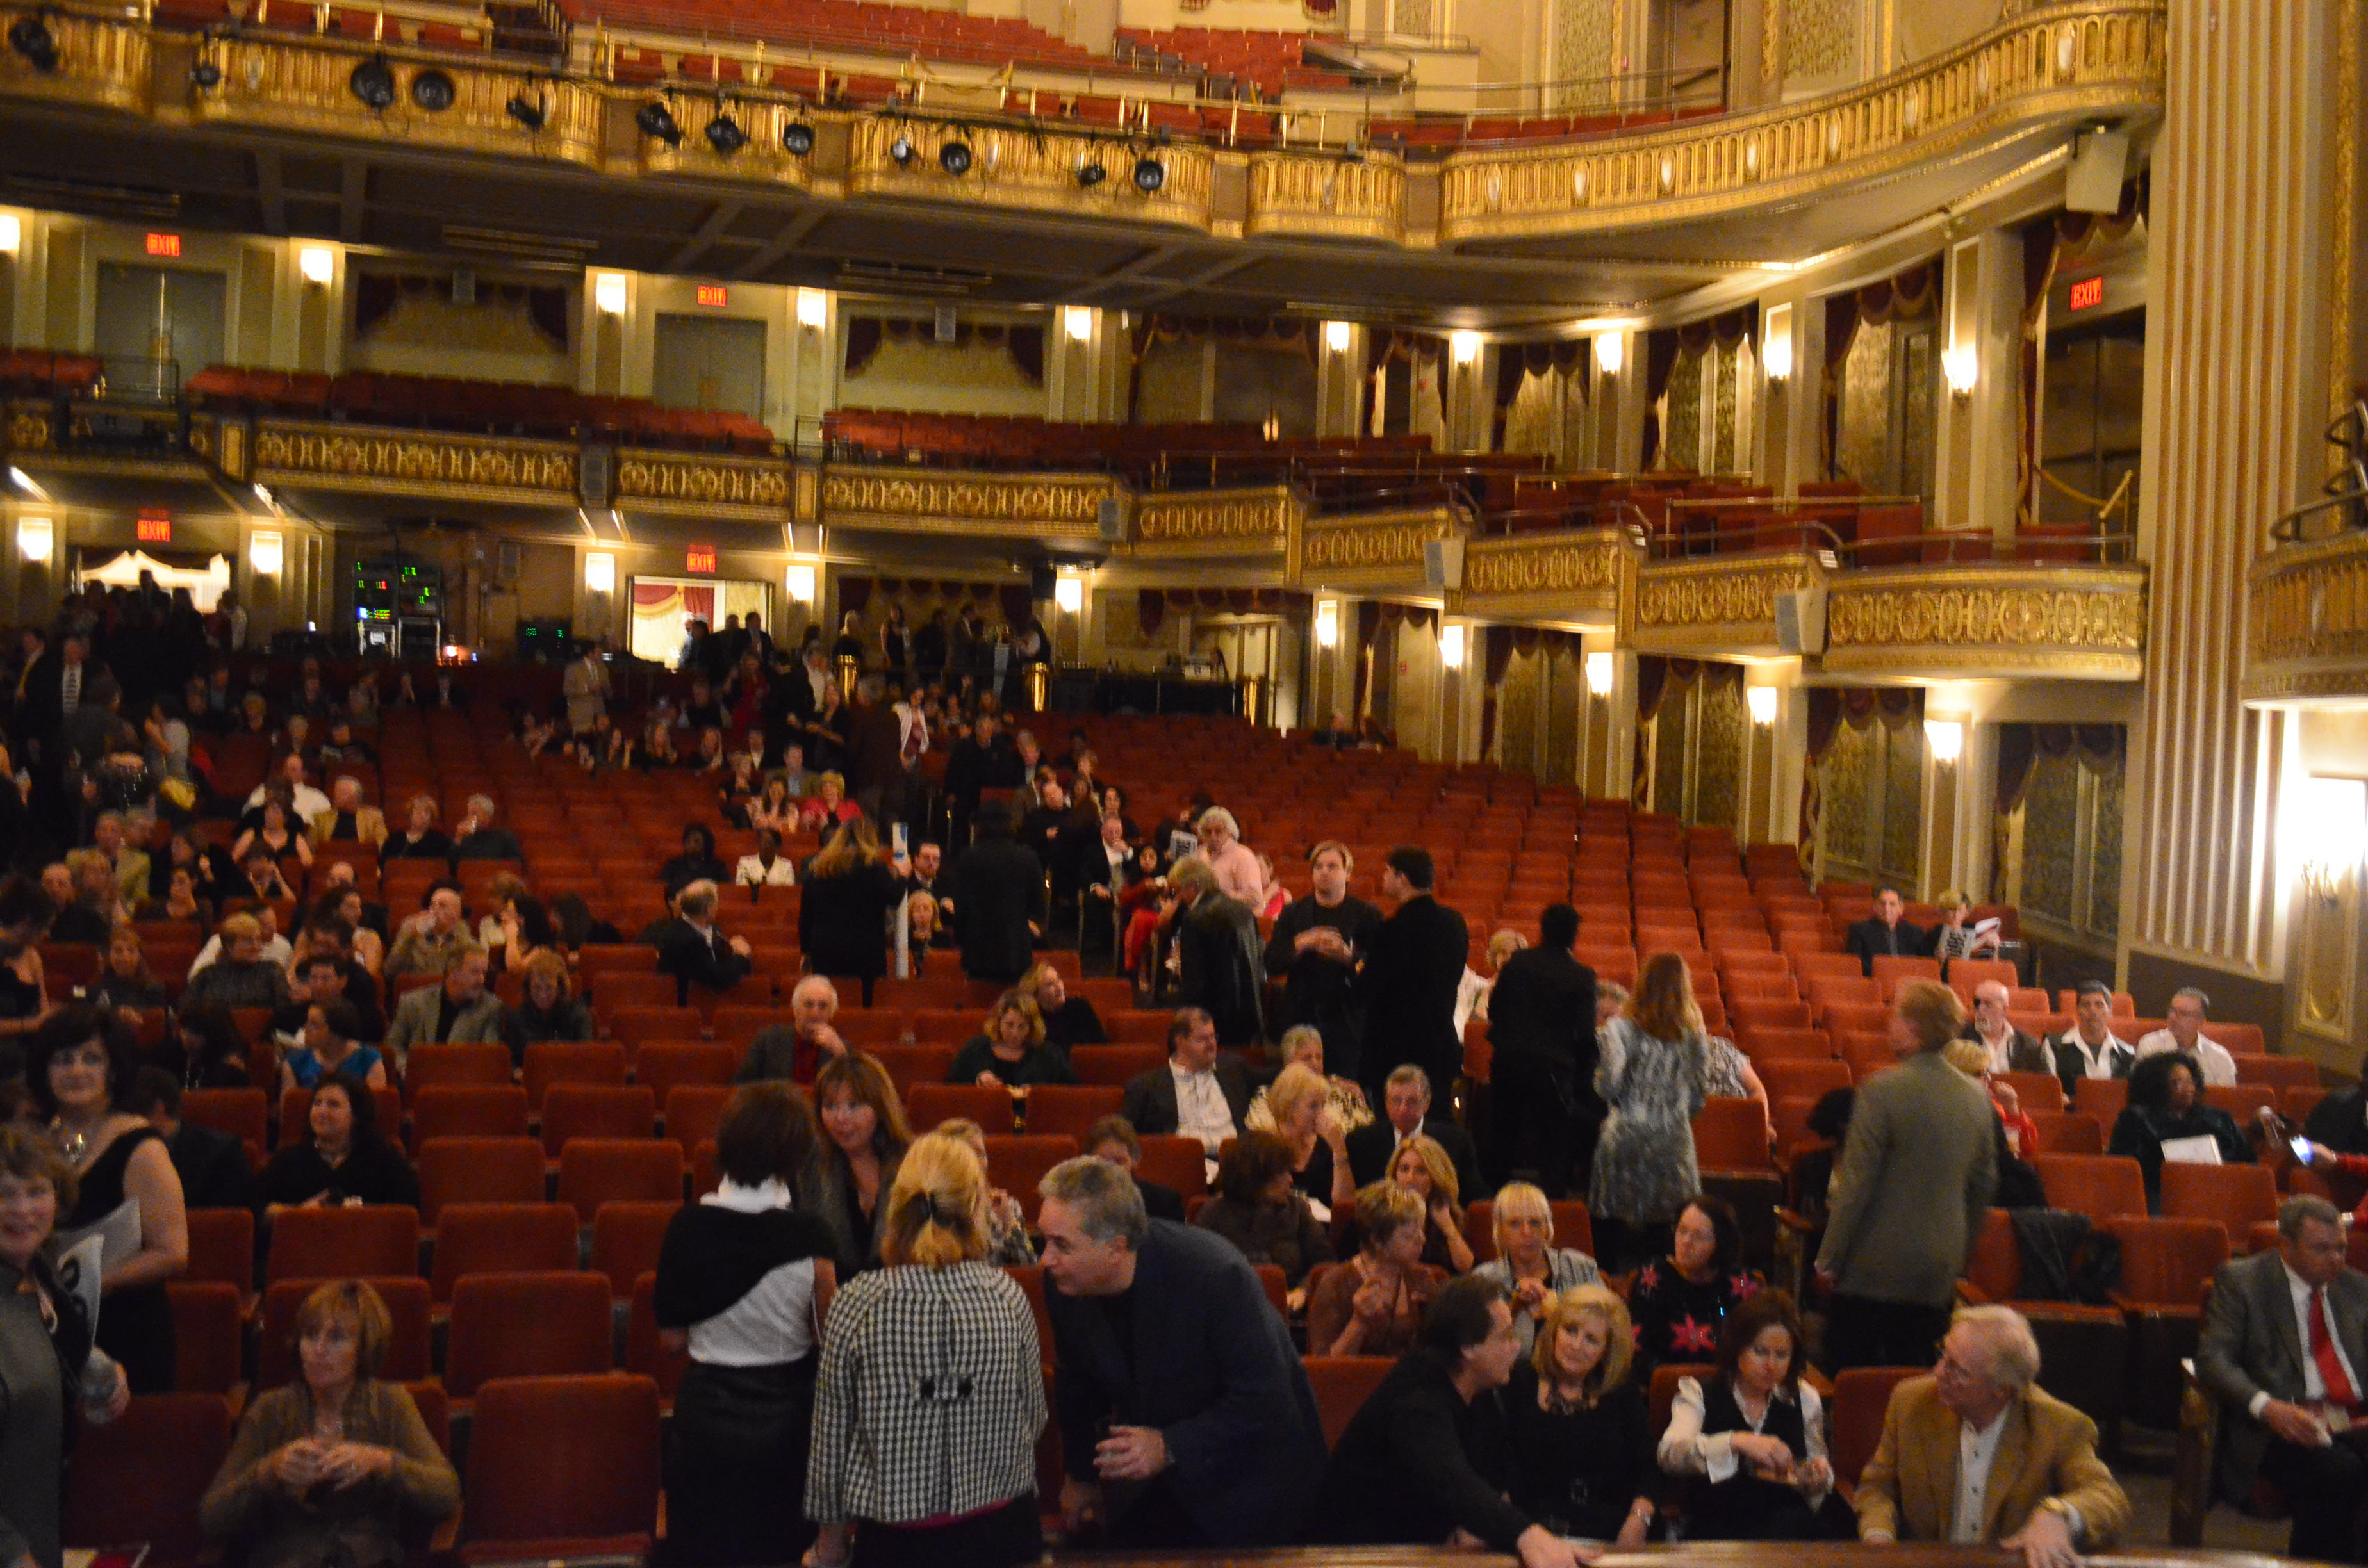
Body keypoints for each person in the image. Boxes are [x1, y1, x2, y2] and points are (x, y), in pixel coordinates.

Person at [1035, 1154, 1326, 1547]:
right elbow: (1077, 1384)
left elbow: (1269, 1399)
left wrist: (1168, 1445)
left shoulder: (1215, 1275)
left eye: (1061, 1245)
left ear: (1116, 1248)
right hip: (1169, 1484)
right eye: (1045, 1240)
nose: (1045, 1260)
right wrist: (1080, 1477)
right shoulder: (1065, 1281)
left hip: (1255, 1488)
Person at [807, 1132, 1046, 1568]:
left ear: (897, 1204)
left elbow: (832, 1438)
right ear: (975, 1207)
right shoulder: (1008, 1296)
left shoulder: (858, 1301)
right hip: (1004, 1532)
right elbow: (1033, 1416)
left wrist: (830, 1542)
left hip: (899, 1541)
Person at [654, 1082, 840, 1568]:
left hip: (706, 1419)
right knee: (780, 1551)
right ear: (796, 1155)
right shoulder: (811, 1236)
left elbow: (670, 1340)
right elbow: (830, 1336)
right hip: (787, 1419)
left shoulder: (686, 1228)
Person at [1316, 1274, 1587, 1568]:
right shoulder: (1417, 1397)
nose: (1516, 1347)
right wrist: (1526, 1535)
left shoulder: (1479, 1386)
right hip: (1348, 1557)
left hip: (1415, 1550)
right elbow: (1451, 1480)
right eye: (1506, 1337)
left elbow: (1494, 1480)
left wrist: (1492, 1527)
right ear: (1467, 1346)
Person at [200, 1278, 457, 1568]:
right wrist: (268, 1471)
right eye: (310, 1336)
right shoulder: (270, 1410)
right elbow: (212, 1518)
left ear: (363, 1349)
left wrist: (382, 1462)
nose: (319, 1349)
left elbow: (445, 1494)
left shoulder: (389, 1404)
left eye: (336, 1338)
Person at [1857, 1304, 2128, 1567]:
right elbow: (1878, 1487)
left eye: (1958, 1370)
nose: (1938, 1372)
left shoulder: (2058, 1425)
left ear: (2003, 1390)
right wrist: (1880, 1541)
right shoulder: (1910, 1402)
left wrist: (2059, 1516)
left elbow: (2108, 1497)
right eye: (1943, 1354)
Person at [1817, 979, 1998, 1371]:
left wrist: (1828, 1258)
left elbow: (1856, 1186)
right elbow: (1982, 1187)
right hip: (1939, 1267)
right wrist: (1960, 1255)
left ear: (1915, 1026)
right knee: (1918, 1378)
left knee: (1853, 1379)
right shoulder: (1976, 1098)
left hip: (1873, 1266)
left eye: (1896, 1014)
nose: (1890, 1022)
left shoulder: (1881, 1091)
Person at [2198, 1194, 2368, 1562]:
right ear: (2286, 1246)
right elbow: (2213, 1358)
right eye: (2321, 1249)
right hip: (2279, 1426)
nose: (2336, 1259)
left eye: (2341, 1248)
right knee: (2339, 1471)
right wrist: (2268, 1407)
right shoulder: (2244, 1282)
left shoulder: (2357, 1289)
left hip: (2351, 1419)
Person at [32, 1006, 188, 1393]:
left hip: (125, 1329)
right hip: (44, 1326)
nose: (76, 1071)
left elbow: (172, 1253)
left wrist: (89, 1285)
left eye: (92, 1059)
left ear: (114, 1070)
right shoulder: (33, 1140)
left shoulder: (140, 1145)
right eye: (63, 1059)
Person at [0, 1123, 131, 1568]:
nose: (22, 1210)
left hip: (41, 1518)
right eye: (4, 1195)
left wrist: (102, 1369)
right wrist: (11, 1552)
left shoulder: (41, 1272)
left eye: (36, 1192)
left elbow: (49, 1350)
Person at [1657, 1288, 1850, 1539]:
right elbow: (1670, 1454)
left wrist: (1819, 1478)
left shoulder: (1804, 1397)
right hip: (1717, 1526)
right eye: (1760, 1352)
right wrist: (1737, 1441)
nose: (1771, 1365)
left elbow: (1816, 1465)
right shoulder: (1699, 1392)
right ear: (1737, 1348)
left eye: (1781, 1355)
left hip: (1786, 1530)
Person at [1503, 1283, 1656, 1546]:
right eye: (1570, 1330)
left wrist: (1639, 1519)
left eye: (1591, 1339)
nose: (1576, 1345)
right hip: (1531, 1534)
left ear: (1607, 1351)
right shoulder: (1519, 1382)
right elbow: (1495, 1467)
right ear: (1554, 1331)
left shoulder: (1621, 1391)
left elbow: (1649, 1469)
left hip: (1608, 1535)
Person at [1588, 951, 1711, 1271]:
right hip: (1673, 1142)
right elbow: (1699, 1097)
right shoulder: (1695, 1038)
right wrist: (1676, 1115)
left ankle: (1609, 1289)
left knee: (1610, 1230)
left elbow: (1608, 1086)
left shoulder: (1619, 1029)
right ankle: (1658, 1290)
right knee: (1667, 1232)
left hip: (1625, 1136)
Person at [1486, 904, 1598, 1198]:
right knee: (1553, 1148)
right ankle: (1551, 1206)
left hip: (1508, 1063)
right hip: (1554, 1072)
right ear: (1574, 935)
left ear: (1542, 930)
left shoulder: (1518, 964)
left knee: (1502, 1138)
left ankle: (1495, 1203)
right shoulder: (1581, 976)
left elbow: (1495, 1010)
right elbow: (1585, 1034)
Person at [1355, 846, 1470, 1102]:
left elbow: (1366, 990)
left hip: (1396, 1049)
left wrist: (1350, 963)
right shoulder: (1455, 923)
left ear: (1402, 878)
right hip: (1440, 1043)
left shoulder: (1392, 930)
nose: (1383, 878)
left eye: (1388, 872)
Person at [1262, 841, 1381, 1079]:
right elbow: (1272, 963)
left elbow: (1378, 973)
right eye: (1318, 867)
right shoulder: (1294, 912)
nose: (1324, 872)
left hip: (1346, 1021)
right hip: (1301, 1016)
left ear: (1348, 874)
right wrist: (1300, 944)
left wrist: (1348, 957)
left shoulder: (1366, 915)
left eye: (1332, 867)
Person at [1308, 1180, 1449, 1357]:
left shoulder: (1425, 1278)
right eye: (1410, 1236)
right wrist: (1358, 1323)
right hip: (1359, 1375)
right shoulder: (1335, 1284)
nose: (1422, 1240)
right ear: (1377, 1241)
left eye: (1422, 1231)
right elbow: (1325, 1367)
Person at [2107, 1048, 2255, 1211]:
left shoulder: (2218, 1120)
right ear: (2156, 1087)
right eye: (2176, 1083)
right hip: (2159, 1199)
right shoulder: (2135, 1121)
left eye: (2190, 1082)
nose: (2187, 1090)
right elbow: (2125, 1172)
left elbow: (2246, 1164)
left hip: (2219, 1196)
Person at [1629, 1195, 1764, 1371]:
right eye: (1682, 1231)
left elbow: (1757, 1347)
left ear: (1720, 1243)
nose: (1686, 1242)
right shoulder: (1653, 1279)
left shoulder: (1741, 1284)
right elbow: (1639, 1353)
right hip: (1668, 1381)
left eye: (1699, 1236)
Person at [1192, 1129, 1333, 1298]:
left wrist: (1303, 1291)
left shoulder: (1296, 1209)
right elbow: (1201, 1275)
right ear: (1255, 1177)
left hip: (1291, 1302)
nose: (1290, 1179)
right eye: (1281, 1173)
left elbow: (1324, 1263)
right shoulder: (1214, 1215)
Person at [254, 1072, 419, 1214]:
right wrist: (299, 1213)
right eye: (317, 1103)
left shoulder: (383, 1158)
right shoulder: (289, 1159)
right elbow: (258, 1206)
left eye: (333, 1105)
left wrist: (362, 1213)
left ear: (355, 1115)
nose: (322, 1111)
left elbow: (407, 1209)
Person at [1472, 1181, 1602, 1355]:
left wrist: (1560, 1314)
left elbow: (1610, 1325)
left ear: (1548, 1228)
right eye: (1515, 1224)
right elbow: (1475, 1346)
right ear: (1500, 1232)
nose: (1527, 1232)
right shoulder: (1483, 1279)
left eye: (1535, 1223)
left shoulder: (1580, 1267)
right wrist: (1515, 1308)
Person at [814, 1052, 910, 1277]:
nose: (841, 1118)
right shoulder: (809, 1169)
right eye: (830, 1106)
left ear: (880, 1107)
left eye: (854, 1105)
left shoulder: (912, 1164)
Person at [1161, 858, 1266, 1049]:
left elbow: (1195, 981)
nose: (1179, 898)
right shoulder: (1243, 909)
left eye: (1178, 891)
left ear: (1192, 886)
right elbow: (1258, 958)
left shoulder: (1195, 918)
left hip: (1216, 1018)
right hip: (1249, 1013)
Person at [1119, 1008, 1251, 1156]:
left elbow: (1269, 1079)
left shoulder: (1233, 1069)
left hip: (1234, 1161)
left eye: (1213, 1037)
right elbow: (1123, 1137)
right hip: (1182, 1162)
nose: (1212, 1045)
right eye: (1202, 1039)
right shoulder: (1146, 1087)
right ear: (1180, 1042)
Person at [1344, 1063, 1483, 1199]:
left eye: (1412, 1101)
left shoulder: (1455, 1141)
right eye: (1397, 1101)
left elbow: (1475, 1195)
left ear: (1426, 1103)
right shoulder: (1361, 1142)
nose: (1403, 1109)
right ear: (1386, 1103)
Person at [798, 822, 901, 1004]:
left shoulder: (819, 869)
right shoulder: (875, 869)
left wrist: (806, 951)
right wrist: (903, 876)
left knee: (828, 1003)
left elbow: (806, 917)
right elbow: (893, 898)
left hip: (826, 949)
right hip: (866, 950)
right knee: (866, 1004)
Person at [127, 1067, 251, 1210]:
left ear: (158, 1108)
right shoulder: (124, 1150)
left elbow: (225, 1219)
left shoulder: (221, 1153)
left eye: (129, 1112)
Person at [951, 803, 1043, 985]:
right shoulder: (1027, 857)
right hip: (1015, 950)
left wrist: (962, 940)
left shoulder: (968, 858)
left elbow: (961, 907)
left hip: (978, 949)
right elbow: (1038, 904)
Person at [1254, 1061, 1356, 1220]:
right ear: (1289, 1106)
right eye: (1313, 1106)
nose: (1321, 1114)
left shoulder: (1325, 1146)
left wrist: (1339, 1148)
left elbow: (1344, 1206)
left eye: (1323, 1106)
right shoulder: (1263, 1145)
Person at [382, 945, 502, 1061]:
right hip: (418, 1072)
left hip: (463, 1073)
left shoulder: (491, 1008)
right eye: (474, 972)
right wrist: (410, 1069)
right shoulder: (413, 1003)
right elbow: (393, 1047)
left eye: (484, 973)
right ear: (453, 973)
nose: (482, 980)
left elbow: (487, 1058)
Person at [949, 992, 1077, 1090]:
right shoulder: (976, 1049)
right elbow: (952, 1088)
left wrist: (1039, 1093)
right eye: (1009, 1025)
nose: (1015, 1033)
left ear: (1032, 1027)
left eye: (1022, 1026)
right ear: (998, 1022)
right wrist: (977, 1081)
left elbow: (1070, 1091)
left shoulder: (1049, 1054)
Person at [736, 974, 847, 1086]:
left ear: (831, 1013)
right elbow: (740, 1086)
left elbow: (855, 1090)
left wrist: (840, 1054)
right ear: (795, 1009)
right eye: (808, 1005)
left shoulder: (840, 1049)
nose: (815, 1013)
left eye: (823, 1006)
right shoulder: (768, 1041)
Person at [1390, 1132, 1476, 1273]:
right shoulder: (1381, 1213)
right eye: (1404, 1169)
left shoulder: (1448, 1215)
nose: (1410, 1178)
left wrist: (1448, 1227)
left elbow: (1467, 1268)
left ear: (1436, 1177)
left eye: (1421, 1171)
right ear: (1395, 1174)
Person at [658, 881, 754, 1002]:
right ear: (709, 909)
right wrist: (741, 955)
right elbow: (719, 979)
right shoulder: (691, 941)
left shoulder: (699, 928)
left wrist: (730, 950)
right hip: (688, 1004)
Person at [182, 911, 293, 1013]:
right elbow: (187, 1011)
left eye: (259, 940)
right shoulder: (207, 975)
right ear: (229, 946)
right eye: (248, 941)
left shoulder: (272, 971)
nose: (256, 947)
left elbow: (284, 1012)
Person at [500, 949, 594, 1066]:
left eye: (549, 988)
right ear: (529, 988)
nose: (543, 995)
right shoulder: (516, 1017)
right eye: (537, 988)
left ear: (560, 989)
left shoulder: (578, 1016)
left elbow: (586, 1059)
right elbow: (511, 1063)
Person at [1084, 1115, 1187, 1223]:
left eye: (1119, 1161)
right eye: (1102, 1161)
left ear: (1135, 1160)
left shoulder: (1165, 1205)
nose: (1111, 1169)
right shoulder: (1079, 1202)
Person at [2048, 981, 2137, 1100]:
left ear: (2110, 1010)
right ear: (2078, 1011)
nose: (2093, 1011)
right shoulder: (2054, 1047)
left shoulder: (2127, 1053)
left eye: (2099, 1005)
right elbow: (2050, 1094)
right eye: (2086, 1005)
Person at [2135, 986, 2241, 1086]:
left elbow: (2225, 1097)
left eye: (2183, 1014)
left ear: (2201, 1022)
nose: (2173, 1018)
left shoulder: (2220, 1057)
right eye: (2173, 1010)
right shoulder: (2151, 1045)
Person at [277, 999, 387, 1093]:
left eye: (314, 1025)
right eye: (307, 1022)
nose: (305, 1028)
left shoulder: (369, 1060)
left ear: (336, 1032)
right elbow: (291, 1109)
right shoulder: (295, 1062)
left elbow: (373, 1109)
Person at [1963, 981, 2051, 1075]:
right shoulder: (1962, 1039)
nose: (1980, 1010)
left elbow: (2044, 1080)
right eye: (1977, 1004)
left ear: (2004, 1009)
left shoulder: (2027, 1045)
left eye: (1988, 1004)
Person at [383, 886, 470, 981]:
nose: (435, 910)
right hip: (418, 986)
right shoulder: (411, 929)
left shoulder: (462, 931)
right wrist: (409, 937)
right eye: (432, 905)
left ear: (457, 912)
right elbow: (389, 971)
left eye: (442, 906)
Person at [1017, 963, 1105, 1053]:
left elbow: (1101, 1045)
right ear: (1036, 995)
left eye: (1058, 979)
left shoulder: (1080, 1007)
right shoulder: (1032, 1019)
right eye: (1050, 984)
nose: (1059, 987)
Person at [1845, 886, 1930, 977]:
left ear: (1901, 909)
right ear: (1875, 907)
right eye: (1882, 904)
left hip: (1908, 980)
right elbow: (1856, 965)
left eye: (1892, 904)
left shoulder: (1915, 932)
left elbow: (1922, 965)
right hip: (1875, 979)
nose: (1886, 909)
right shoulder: (1860, 930)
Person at [308, 776, 386, 849]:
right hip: (330, 857)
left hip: (361, 857)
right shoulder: (321, 818)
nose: (336, 795)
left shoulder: (373, 817)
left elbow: (382, 845)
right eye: (336, 791)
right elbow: (312, 847)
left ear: (355, 797)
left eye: (342, 792)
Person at [1930, 890, 2003, 968]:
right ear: (1943, 911)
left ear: (1966, 912)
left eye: (1960, 910)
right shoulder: (1937, 931)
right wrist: (1982, 941)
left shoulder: (1971, 928)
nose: (1956, 915)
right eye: (1952, 910)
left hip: (1969, 968)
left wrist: (1992, 941)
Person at [378, 795, 451, 865]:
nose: (422, 816)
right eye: (418, 811)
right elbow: (384, 864)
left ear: (431, 818)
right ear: (410, 814)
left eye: (427, 812)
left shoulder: (439, 840)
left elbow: (445, 866)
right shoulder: (395, 839)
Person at [734, 827, 798, 890]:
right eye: (762, 841)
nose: (764, 845)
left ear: (776, 846)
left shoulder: (786, 866)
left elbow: (788, 891)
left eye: (768, 842)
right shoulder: (745, 864)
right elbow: (742, 889)